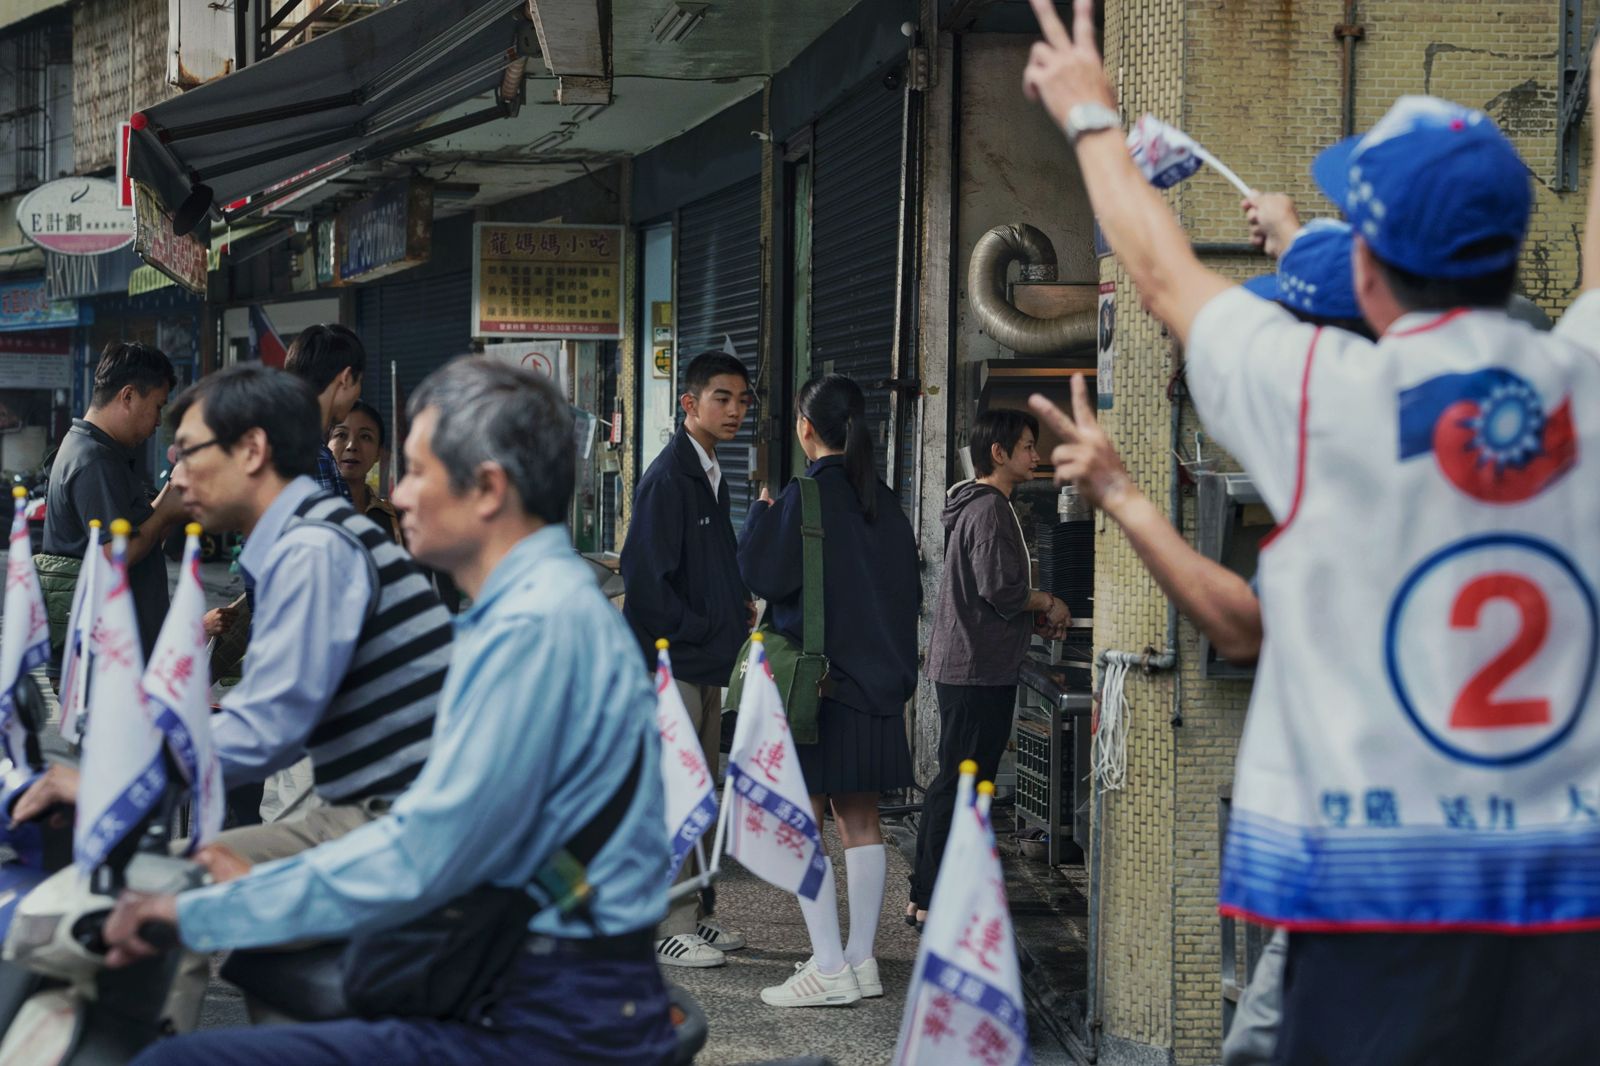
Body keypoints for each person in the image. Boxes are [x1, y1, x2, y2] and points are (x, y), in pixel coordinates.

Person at [1024, 3, 1600, 1061]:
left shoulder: (1326, 401)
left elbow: (1160, 270)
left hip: (1366, 920)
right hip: (1566, 917)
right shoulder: (1582, 393)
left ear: (1368, 274)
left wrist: (1088, 112)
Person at [103, 358, 675, 1066]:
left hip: (544, 1015)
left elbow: (417, 855)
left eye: (415, 470)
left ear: (488, 489)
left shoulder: (535, 630)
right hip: (524, 975)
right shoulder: (528, 612)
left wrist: (194, 910)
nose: (396, 494)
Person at [15, 364, 454, 1030]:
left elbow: (269, 724)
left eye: (189, 450)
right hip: (375, 812)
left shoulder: (312, 549)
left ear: (251, 451)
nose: (173, 471)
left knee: (165, 897)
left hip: (400, 824)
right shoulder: (303, 537)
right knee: (198, 881)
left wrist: (117, 777)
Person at [737, 374, 920, 1007]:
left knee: (803, 822)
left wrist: (758, 516)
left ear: (806, 428)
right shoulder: (885, 500)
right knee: (862, 822)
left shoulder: (804, 496)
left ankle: (827, 965)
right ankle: (862, 961)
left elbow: (762, 573)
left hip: (819, 687)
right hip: (877, 685)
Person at [910, 408, 1070, 926]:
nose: (1035, 455)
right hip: (975, 668)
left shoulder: (976, 505)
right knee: (959, 779)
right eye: (1026, 446)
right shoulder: (991, 509)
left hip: (971, 663)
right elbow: (999, 588)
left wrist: (1029, 617)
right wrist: (1045, 602)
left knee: (960, 777)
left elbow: (994, 597)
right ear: (998, 453)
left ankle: (937, 892)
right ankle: (927, 895)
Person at [621, 349, 753, 968]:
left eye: (742, 399)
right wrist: (708, 623)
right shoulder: (670, 477)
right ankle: (667, 925)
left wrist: (734, 612)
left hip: (703, 663)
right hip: (670, 667)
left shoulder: (709, 472)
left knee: (702, 795)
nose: (734, 410)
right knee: (678, 795)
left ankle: (698, 915)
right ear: (689, 404)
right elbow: (645, 584)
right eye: (721, 398)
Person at [40, 343, 228, 659]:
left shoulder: (97, 451)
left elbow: (132, 532)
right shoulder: (94, 460)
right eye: (157, 407)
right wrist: (167, 512)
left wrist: (169, 497)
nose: (158, 422)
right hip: (107, 660)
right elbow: (116, 554)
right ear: (127, 396)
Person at [284, 324, 365, 502]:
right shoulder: (309, 454)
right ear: (345, 378)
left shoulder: (281, 440)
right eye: (359, 381)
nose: (359, 392)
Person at [330, 400, 401, 542]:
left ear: (378, 453)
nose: (351, 446)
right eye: (341, 435)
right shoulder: (308, 512)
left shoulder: (394, 518)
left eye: (365, 437)